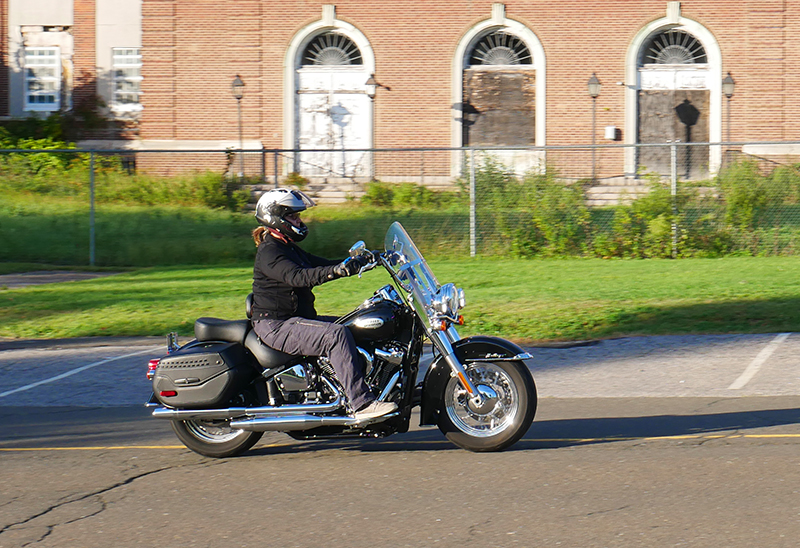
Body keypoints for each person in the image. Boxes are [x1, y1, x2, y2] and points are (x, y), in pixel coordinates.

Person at [249, 188, 397, 421]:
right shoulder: (271, 252)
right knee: (335, 335)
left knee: (355, 325)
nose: (299, 221)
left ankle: (361, 386)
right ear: (275, 217)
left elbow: (320, 264)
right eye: (293, 217)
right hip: (276, 325)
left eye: (299, 216)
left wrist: (359, 261)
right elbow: (299, 276)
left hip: (295, 319)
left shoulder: (287, 247)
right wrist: (335, 272)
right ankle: (361, 404)